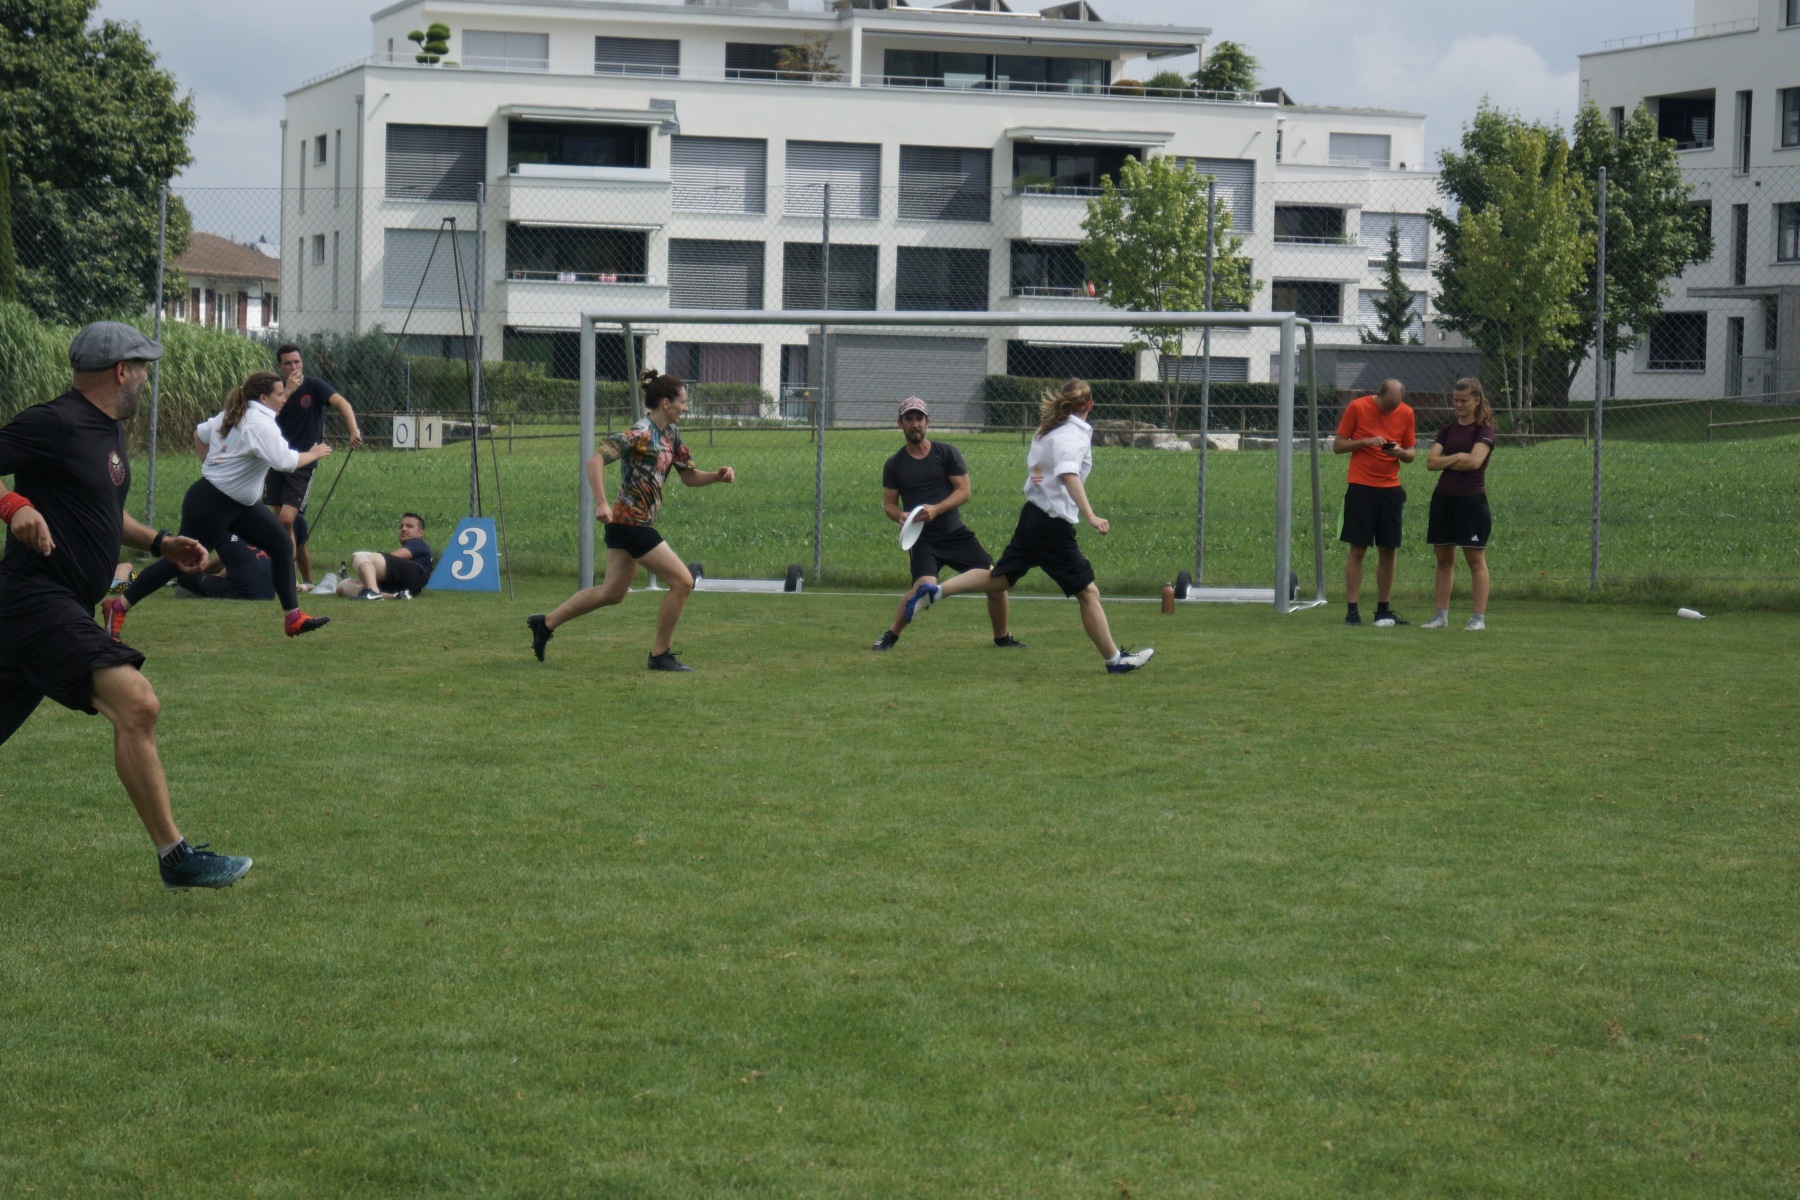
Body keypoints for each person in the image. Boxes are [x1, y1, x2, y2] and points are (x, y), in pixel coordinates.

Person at [0, 321, 252, 889]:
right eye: (142, 369)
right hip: (36, 600)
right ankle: (177, 858)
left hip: (47, 608)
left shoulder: (108, 432)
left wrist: (162, 543)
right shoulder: (55, 422)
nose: (145, 380)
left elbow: (101, 514)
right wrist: (13, 505)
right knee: (137, 703)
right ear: (121, 372)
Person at [898, 379, 1153, 674]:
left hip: (1033, 516)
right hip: (1052, 526)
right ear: (1090, 405)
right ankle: (1114, 660)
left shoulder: (1048, 428)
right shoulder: (1072, 435)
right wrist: (1091, 515)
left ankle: (934, 592)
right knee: (1088, 592)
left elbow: (1039, 470)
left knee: (1001, 578)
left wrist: (1044, 489)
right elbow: (1068, 474)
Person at [527, 369, 735, 672]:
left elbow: (689, 476)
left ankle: (545, 623)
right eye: (682, 402)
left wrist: (717, 476)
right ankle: (660, 655)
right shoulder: (640, 433)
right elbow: (595, 461)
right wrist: (602, 503)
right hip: (631, 523)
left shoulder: (671, 435)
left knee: (612, 593)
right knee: (682, 582)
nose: (686, 408)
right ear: (666, 403)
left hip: (632, 525)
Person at [105, 371, 333, 639]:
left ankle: (293, 618)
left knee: (282, 545)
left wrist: (210, 465)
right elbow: (285, 462)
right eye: (280, 394)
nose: (285, 399)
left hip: (239, 503)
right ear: (263, 398)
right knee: (181, 561)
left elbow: (199, 434)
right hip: (213, 502)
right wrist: (313, 453)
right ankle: (117, 606)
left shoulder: (235, 413)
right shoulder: (260, 423)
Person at [872, 397, 1023, 652]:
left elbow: (964, 491)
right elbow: (889, 505)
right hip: (921, 540)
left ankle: (1002, 639)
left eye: (919, 418)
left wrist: (936, 509)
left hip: (955, 535)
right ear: (900, 424)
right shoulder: (894, 464)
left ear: (927, 422)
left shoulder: (945, 453)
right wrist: (900, 516)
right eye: (909, 419)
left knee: (995, 579)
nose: (915, 424)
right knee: (922, 589)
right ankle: (890, 636)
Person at [266, 344, 363, 586]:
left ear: (302, 362)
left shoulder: (315, 386)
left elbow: (343, 404)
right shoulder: (275, 392)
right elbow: (267, 419)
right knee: (282, 525)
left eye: (297, 362)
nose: (294, 367)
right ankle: (291, 579)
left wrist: (353, 430)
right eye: (288, 363)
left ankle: (290, 577)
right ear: (280, 366)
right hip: (276, 459)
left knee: (287, 520)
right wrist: (288, 391)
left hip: (303, 462)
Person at [1332, 378, 1416, 627]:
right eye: (1387, 407)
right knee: (1358, 549)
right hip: (1361, 487)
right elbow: (1338, 446)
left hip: (1390, 489)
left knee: (1388, 549)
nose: (1390, 412)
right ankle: (1352, 611)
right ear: (1378, 395)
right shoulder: (1357, 407)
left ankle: (1383, 611)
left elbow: (1411, 454)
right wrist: (1365, 441)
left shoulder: (1407, 413)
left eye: (1394, 408)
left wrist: (1400, 452)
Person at [1423, 378, 1495, 631]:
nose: (1459, 405)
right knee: (1444, 560)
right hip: (1443, 499)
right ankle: (1440, 616)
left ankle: (1478, 618)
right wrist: (1457, 457)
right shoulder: (1447, 430)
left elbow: (1474, 462)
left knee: (1475, 560)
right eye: (1455, 400)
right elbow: (1431, 463)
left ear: (1477, 400)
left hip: (1471, 501)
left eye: (1464, 400)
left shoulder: (1484, 430)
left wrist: (1448, 459)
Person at [336, 512, 435, 600]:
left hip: (413, 573)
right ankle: (394, 596)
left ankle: (373, 591)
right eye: (401, 526)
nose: (403, 529)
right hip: (404, 586)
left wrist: (367, 564)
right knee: (342, 586)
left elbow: (393, 557)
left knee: (360, 556)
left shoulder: (418, 543)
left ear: (420, 533)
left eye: (409, 526)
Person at [172, 534, 276, 601]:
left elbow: (190, 557)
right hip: (268, 593)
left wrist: (199, 572)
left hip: (242, 594)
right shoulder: (254, 527)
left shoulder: (219, 529)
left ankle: (194, 591)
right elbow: (233, 560)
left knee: (183, 575)